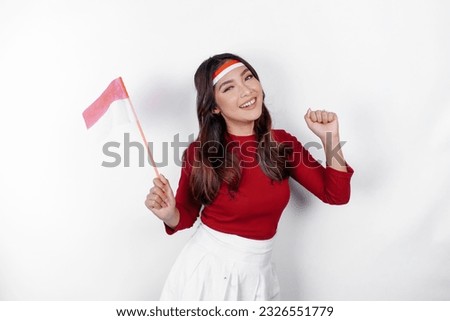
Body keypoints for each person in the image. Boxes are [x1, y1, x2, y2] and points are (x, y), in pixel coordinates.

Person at [145, 53, 354, 300]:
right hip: (210, 272)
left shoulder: (282, 143)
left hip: (260, 272)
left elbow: (336, 195)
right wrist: (169, 214)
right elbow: (186, 215)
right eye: (229, 87)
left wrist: (330, 139)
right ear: (213, 106)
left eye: (248, 78)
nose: (246, 91)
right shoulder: (200, 153)